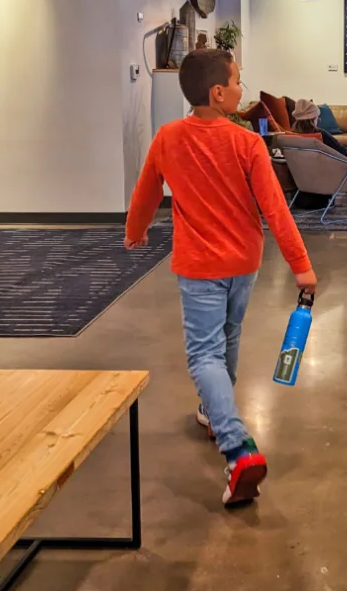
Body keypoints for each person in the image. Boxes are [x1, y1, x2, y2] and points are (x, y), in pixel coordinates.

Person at [125, 49, 316, 507]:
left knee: (203, 355)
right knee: (228, 337)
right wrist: (301, 266)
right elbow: (275, 210)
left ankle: (237, 447)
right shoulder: (247, 143)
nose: (240, 90)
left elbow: (147, 191)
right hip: (244, 262)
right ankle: (215, 413)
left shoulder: (168, 138)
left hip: (199, 266)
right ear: (217, 93)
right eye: (237, 82)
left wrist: (135, 232)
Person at [290, 99, 347, 202]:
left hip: (303, 185)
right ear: (313, 119)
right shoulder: (320, 135)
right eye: (317, 118)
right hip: (325, 183)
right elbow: (345, 155)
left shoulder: (290, 137)